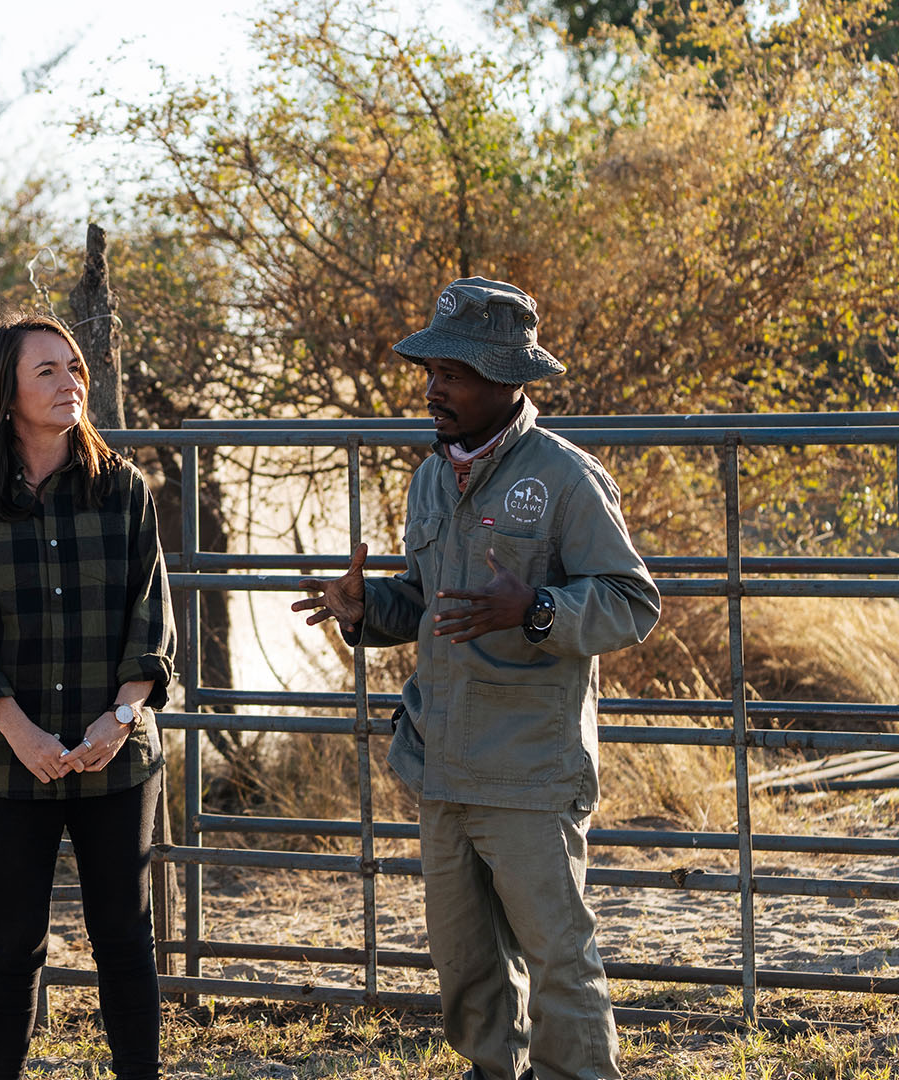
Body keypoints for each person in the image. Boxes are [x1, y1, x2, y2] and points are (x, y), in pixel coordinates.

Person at [293, 277, 660, 1080]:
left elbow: (633, 603)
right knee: (465, 968)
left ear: (508, 380)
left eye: (452, 374)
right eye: (431, 372)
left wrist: (536, 610)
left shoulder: (566, 478)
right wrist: (365, 608)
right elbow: (431, 605)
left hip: (529, 769)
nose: (434, 389)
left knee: (559, 959)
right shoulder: (432, 476)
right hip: (442, 763)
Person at [0, 314, 176, 1080]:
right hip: (8, 764)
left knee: (125, 938)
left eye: (75, 368)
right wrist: (19, 732)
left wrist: (122, 714)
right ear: (6, 392)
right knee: (10, 945)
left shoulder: (124, 490)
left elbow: (152, 616)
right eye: (48, 371)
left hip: (118, 754)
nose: (71, 382)